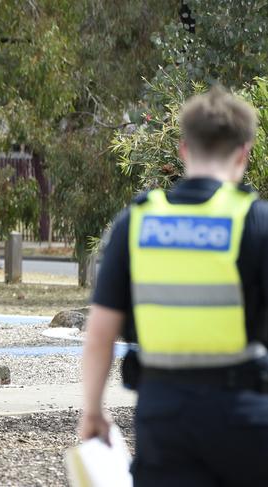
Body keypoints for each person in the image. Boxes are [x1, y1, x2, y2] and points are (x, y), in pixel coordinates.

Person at [80, 86, 268, 486]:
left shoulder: (138, 222)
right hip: (245, 415)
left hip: (163, 416)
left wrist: (93, 410)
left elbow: (100, 334)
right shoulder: (256, 222)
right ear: (243, 153)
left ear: (183, 149)